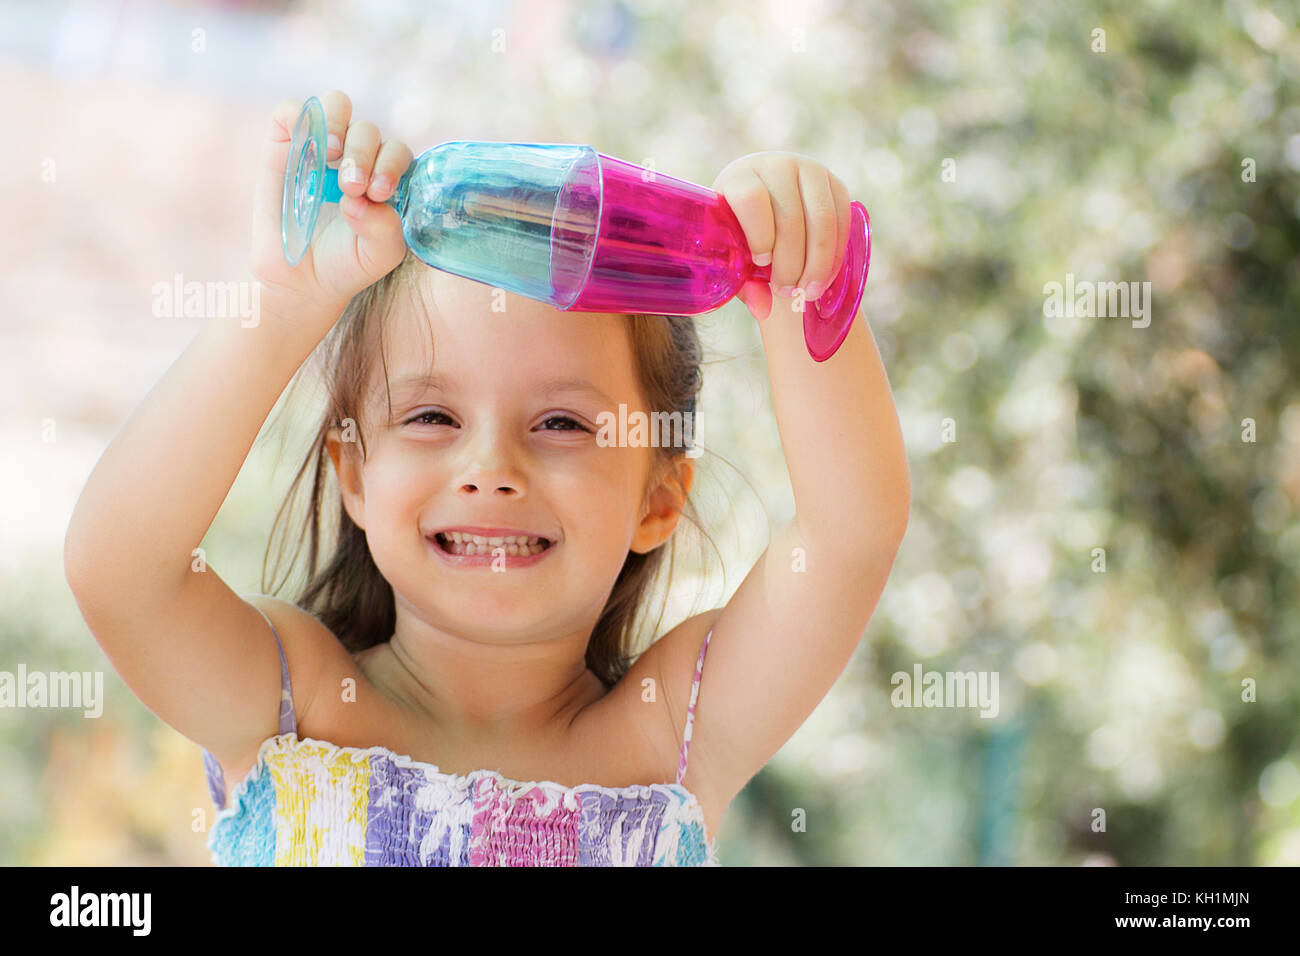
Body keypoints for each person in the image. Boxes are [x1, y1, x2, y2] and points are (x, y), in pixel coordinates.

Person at [63, 90, 910, 866]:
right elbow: (120, 571)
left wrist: (799, 279)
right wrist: (284, 302)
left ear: (658, 501)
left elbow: (849, 538)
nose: (491, 471)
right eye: (432, 417)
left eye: (562, 424)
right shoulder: (291, 705)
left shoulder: (673, 734)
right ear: (354, 475)